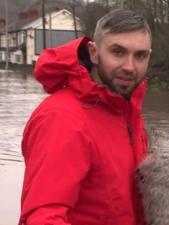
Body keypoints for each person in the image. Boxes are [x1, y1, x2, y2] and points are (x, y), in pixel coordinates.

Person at [19, 9, 152, 225]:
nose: (129, 66)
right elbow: (44, 217)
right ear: (93, 52)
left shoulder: (127, 113)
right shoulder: (62, 119)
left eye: (140, 55)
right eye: (118, 52)